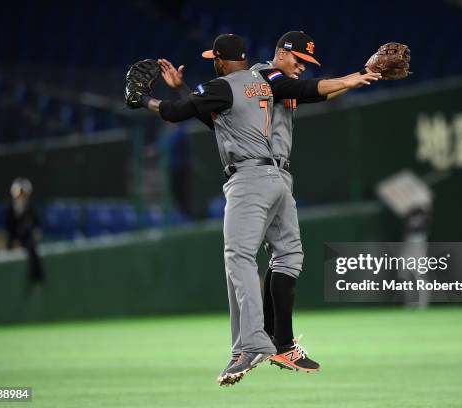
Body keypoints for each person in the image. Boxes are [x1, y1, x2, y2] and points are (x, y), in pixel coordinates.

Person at [130, 33, 380, 386]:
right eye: (298, 60)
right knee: (280, 256)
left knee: (250, 256)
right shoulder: (267, 77)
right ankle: (276, 343)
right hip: (270, 176)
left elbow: (216, 108)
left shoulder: (264, 80)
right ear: (279, 54)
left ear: (219, 60)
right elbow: (233, 112)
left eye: (305, 65)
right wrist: (358, 77)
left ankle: (263, 344)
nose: (300, 68)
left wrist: (360, 78)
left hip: (256, 176)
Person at [5, 177, 44, 284]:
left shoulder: (31, 207)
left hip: (27, 238)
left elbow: (37, 224)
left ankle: (37, 275)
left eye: (23, 194)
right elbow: (9, 227)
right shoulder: (9, 209)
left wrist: (37, 231)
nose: (21, 197)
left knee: (32, 247)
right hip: (14, 240)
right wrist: (14, 241)